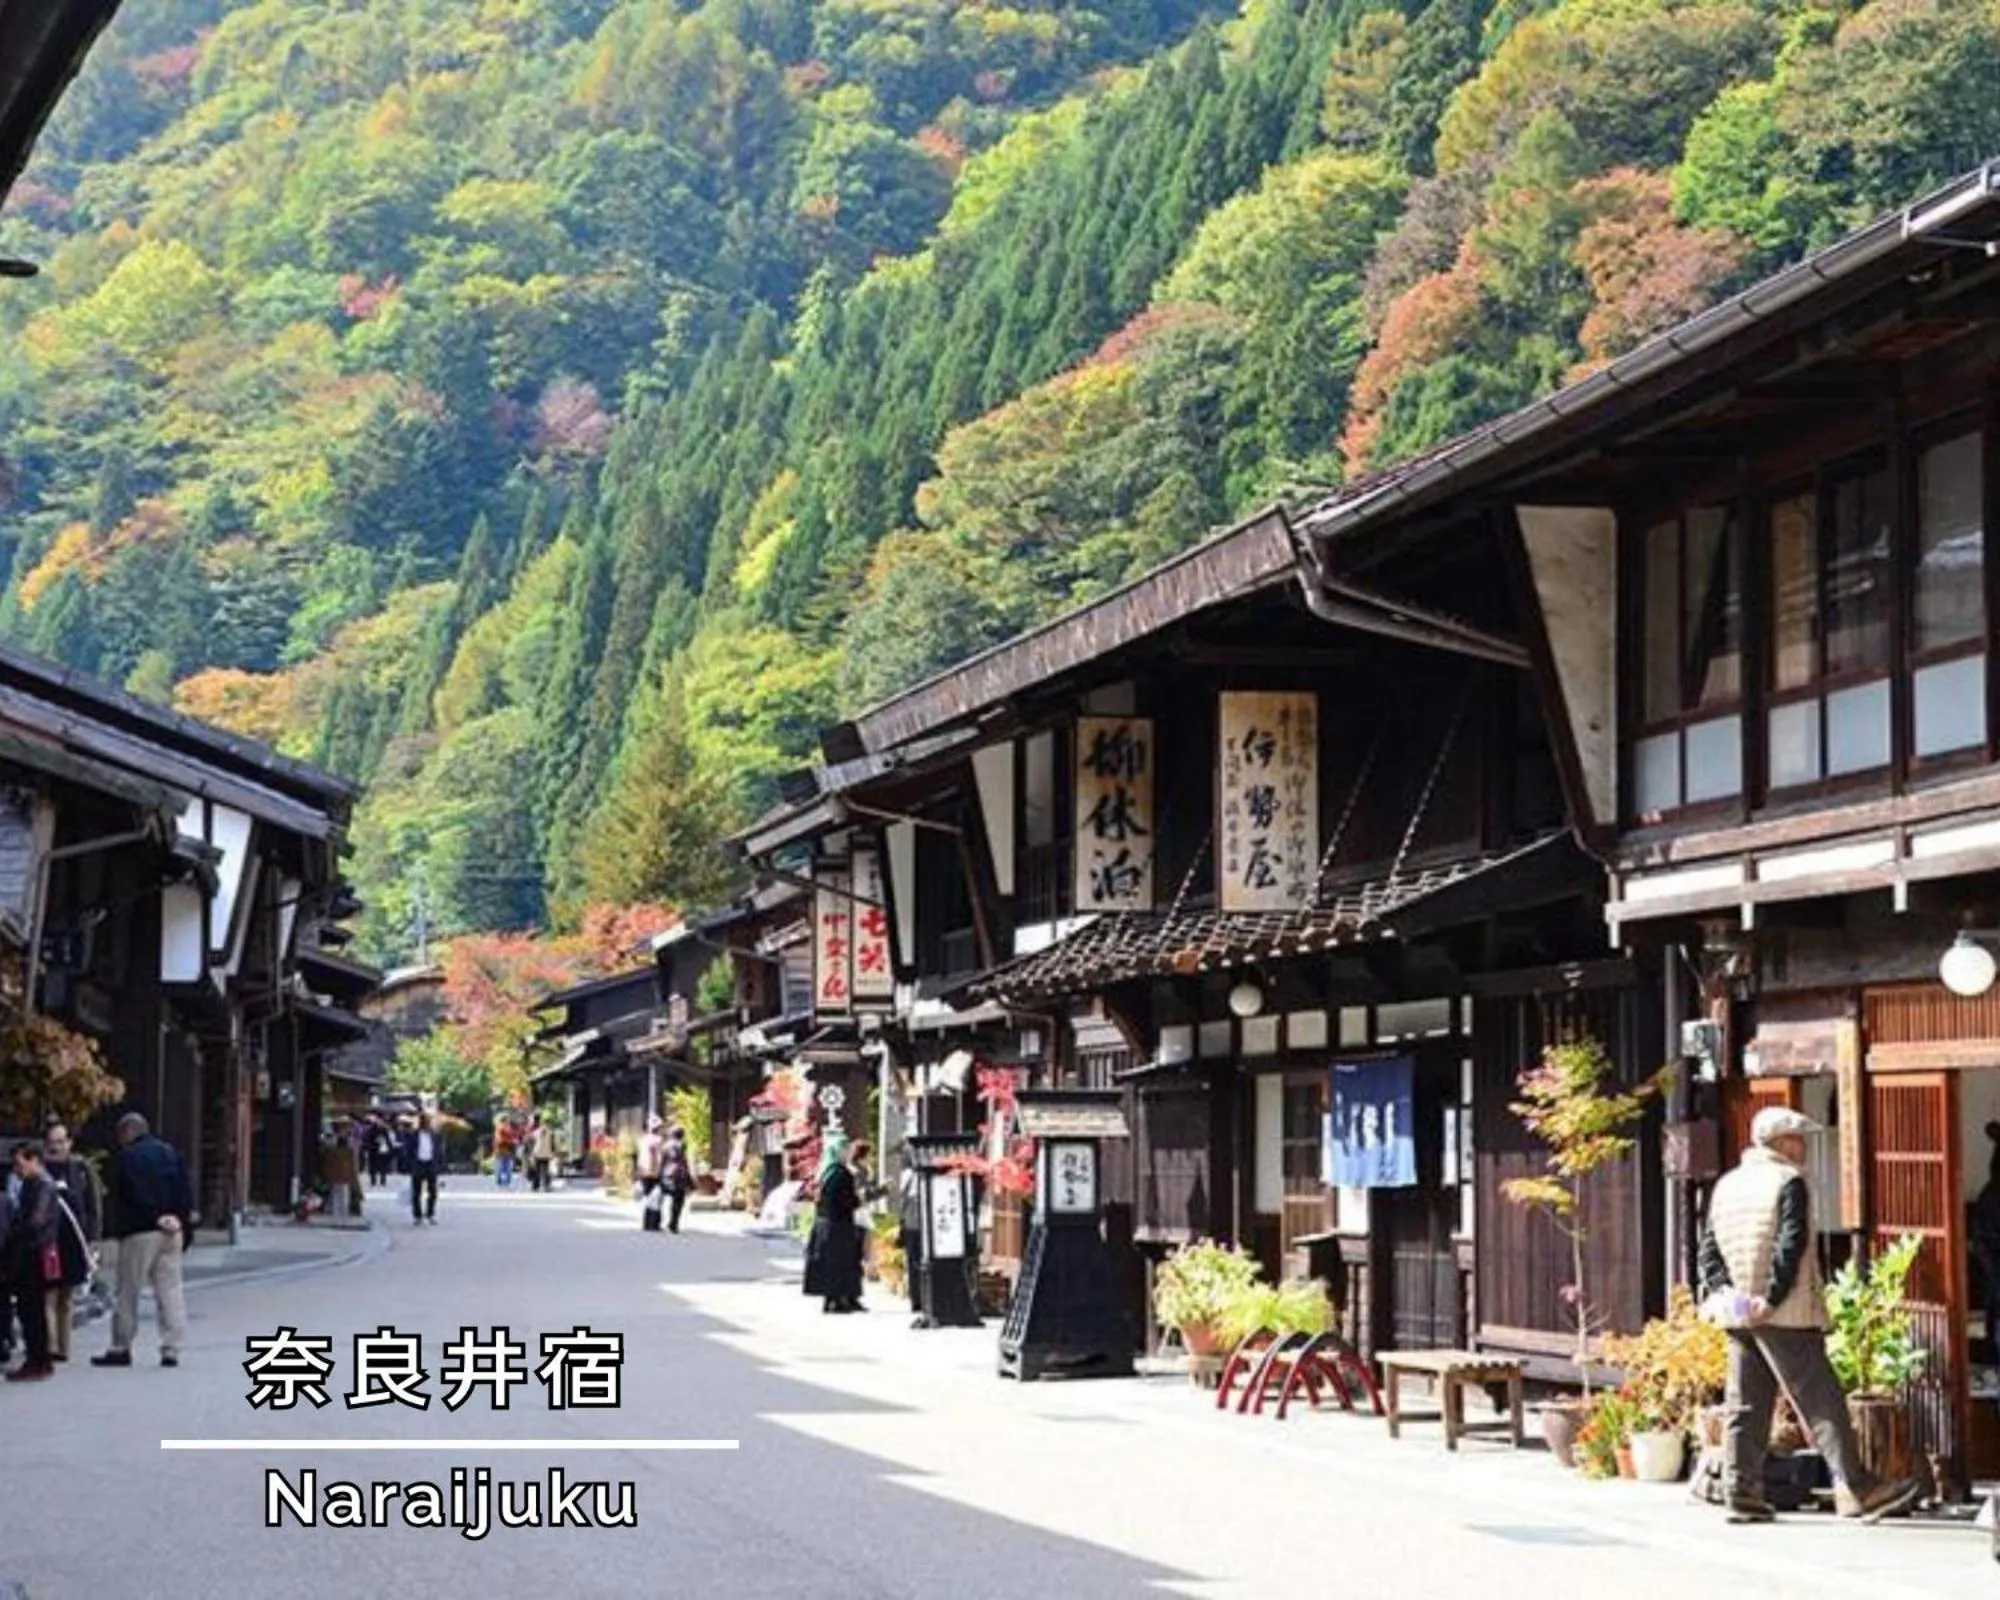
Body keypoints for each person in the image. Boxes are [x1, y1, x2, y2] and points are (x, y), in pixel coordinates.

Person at [1699, 1106, 1919, 1524]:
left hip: (1738, 1309)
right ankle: (1858, 1488)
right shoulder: (1789, 1181)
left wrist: (1725, 1291)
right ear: (1780, 1142)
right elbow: (1791, 1243)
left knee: (1745, 1402)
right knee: (1822, 1399)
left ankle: (1740, 1491)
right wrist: (1772, 1296)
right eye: (1797, 1139)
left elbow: (1708, 1247)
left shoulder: (1727, 1184)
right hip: (1787, 1310)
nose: (1802, 1147)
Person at [93, 1113, 191, 1370]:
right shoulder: (170, 1153)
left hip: (141, 1231)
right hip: (171, 1230)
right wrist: (178, 1219)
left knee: (128, 1290)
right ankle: (172, 1347)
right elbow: (184, 1188)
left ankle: (121, 1346)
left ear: (127, 1133)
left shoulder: (128, 1158)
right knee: (170, 1289)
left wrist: (150, 1217)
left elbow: (130, 1195)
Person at [41, 1121, 100, 1363]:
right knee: (49, 1294)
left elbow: (92, 1205)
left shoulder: (80, 1170)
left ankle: (64, 1347)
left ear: (70, 1142)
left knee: (67, 1296)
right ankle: (51, 1346)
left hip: (74, 1240)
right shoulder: (41, 1170)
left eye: (61, 1141)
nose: (57, 1147)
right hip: (48, 1241)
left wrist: (93, 1238)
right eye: (52, 1142)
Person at [4, 1141, 59, 1381]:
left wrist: (14, 1233)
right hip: (33, 1251)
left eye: (20, 1163)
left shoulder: (42, 1186)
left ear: (34, 1159)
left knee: (32, 1310)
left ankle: (37, 1359)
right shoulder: (34, 1184)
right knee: (32, 1310)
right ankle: (39, 1358)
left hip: (32, 1254)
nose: (17, 1170)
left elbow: (35, 1221)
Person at [803, 1131, 864, 1314]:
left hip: (824, 1224)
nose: (848, 1153)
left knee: (829, 1264)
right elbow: (846, 1201)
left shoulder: (826, 1171)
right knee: (840, 1263)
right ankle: (839, 1299)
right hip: (838, 1225)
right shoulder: (840, 1173)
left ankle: (833, 1299)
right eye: (845, 1149)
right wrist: (858, 1200)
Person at [406, 1112, 441, 1225]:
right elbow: (408, 1150)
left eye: (428, 1122)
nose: (427, 1124)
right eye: (425, 1122)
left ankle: (430, 1214)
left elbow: (438, 1150)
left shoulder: (435, 1135)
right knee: (417, 1192)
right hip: (418, 1164)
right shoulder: (413, 1135)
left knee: (433, 1192)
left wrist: (438, 1163)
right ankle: (417, 1216)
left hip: (430, 1164)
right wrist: (410, 1164)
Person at [636, 1116, 667, 1232]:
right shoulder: (658, 1141)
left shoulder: (643, 1140)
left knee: (648, 1198)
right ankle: (654, 1223)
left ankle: (646, 1223)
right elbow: (658, 1158)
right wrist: (659, 1172)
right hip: (655, 1172)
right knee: (657, 1199)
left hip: (643, 1172)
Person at [663, 1125, 693, 1235]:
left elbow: (663, 1160)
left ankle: (665, 1221)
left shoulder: (666, 1146)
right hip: (679, 1174)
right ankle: (673, 1223)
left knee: (670, 1199)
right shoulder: (682, 1145)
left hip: (668, 1173)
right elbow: (684, 1161)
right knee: (679, 1200)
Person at [529, 1119, 556, 1192]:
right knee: (546, 1170)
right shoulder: (551, 1133)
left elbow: (531, 1142)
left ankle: (535, 1186)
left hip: (537, 1153)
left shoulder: (536, 1132)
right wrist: (553, 1153)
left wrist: (531, 1152)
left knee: (537, 1170)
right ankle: (546, 1186)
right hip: (546, 1153)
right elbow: (552, 1144)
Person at [494, 1120, 519, 1190]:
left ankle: (505, 1183)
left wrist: (513, 1142)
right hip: (501, 1152)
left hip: (506, 1152)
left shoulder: (507, 1130)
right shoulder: (500, 1129)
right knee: (501, 1168)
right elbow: (500, 1140)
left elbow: (512, 1139)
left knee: (506, 1168)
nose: (506, 1124)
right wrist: (511, 1141)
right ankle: (501, 1183)